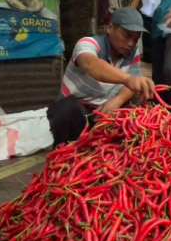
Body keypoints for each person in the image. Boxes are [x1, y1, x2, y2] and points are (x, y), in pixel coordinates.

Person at [47, 8, 155, 147]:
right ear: (110, 28)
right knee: (68, 110)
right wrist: (127, 79)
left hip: (105, 111)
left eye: (135, 39)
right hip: (79, 111)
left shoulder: (132, 53)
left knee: (137, 104)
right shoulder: (88, 43)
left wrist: (118, 100)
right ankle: (65, 152)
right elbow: (90, 64)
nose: (131, 43)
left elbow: (132, 85)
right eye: (126, 36)